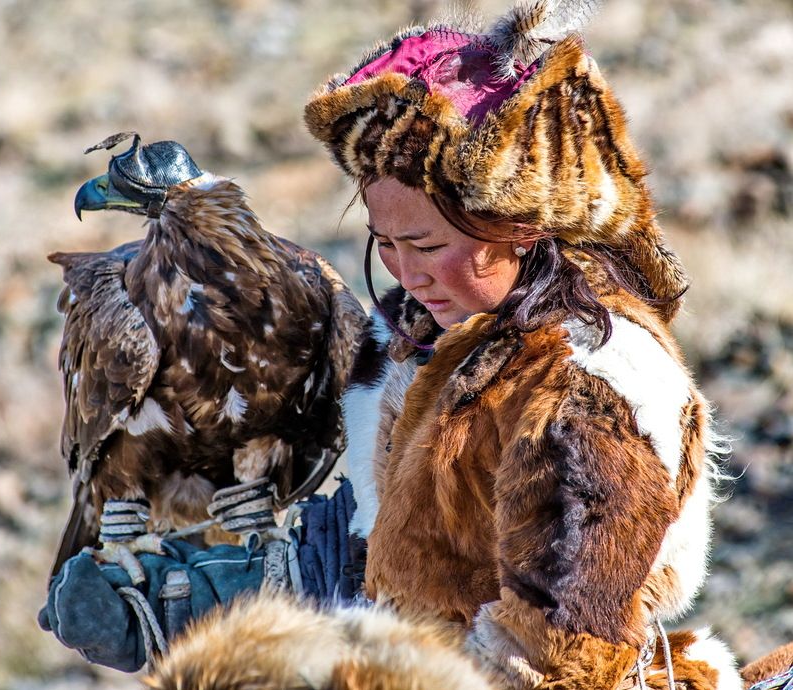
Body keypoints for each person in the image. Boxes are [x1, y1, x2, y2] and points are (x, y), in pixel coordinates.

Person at [41, 4, 781, 688]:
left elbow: (554, 659)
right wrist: (219, 601)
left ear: (521, 223)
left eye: (425, 243)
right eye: (384, 242)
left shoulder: (588, 388)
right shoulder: (415, 346)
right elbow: (372, 567)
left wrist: (349, 669)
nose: (404, 270)